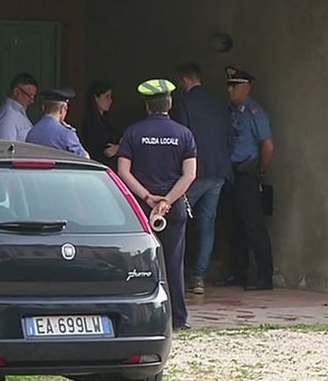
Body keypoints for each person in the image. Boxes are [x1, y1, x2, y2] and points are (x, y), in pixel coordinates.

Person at [117, 78, 197, 330]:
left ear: (147, 106)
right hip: (173, 207)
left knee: (139, 261)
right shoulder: (184, 134)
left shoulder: (132, 132)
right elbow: (190, 175)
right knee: (173, 261)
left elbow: (123, 171)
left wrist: (148, 198)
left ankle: (140, 317)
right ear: (169, 104)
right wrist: (168, 200)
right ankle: (178, 318)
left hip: (141, 208)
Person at [172, 63, 233, 295]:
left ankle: (175, 273)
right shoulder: (218, 103)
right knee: (207, 224)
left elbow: (181, 137)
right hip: (219, 171)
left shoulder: (184, 102)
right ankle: (198, 277)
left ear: (184, 79)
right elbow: (229, 136)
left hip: (194, 171)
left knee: (177, 219)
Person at [216, 66, 275, 291]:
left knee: (254, 225)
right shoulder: (228, 111)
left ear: (247, 88)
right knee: (233, 225)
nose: (230, 90)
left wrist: (260, 171)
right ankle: (238, 272)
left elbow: (268, 146)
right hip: (230, 173)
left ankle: (264, 275)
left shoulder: (255, 112)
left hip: (247, 172)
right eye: (229, 86)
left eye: (235, 86)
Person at [25, 87, 90, 158]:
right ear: (63, 108)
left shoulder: (32, 132)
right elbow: (85, 158)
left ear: (43, 108)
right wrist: (70, 130)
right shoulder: (66, 134)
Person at [82, 81, 120, 171]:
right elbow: (108, 152)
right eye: (107, 96)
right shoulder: (92, 123)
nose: (110, 101)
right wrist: (121, 145)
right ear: (96, 98)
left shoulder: (106, 120)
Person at [0, 72, 39, 141]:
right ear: (16, 92)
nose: (32, 101)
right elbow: (6, 145)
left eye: (34, 97)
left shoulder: (20, 113)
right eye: (29, 96)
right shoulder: (8, 116)